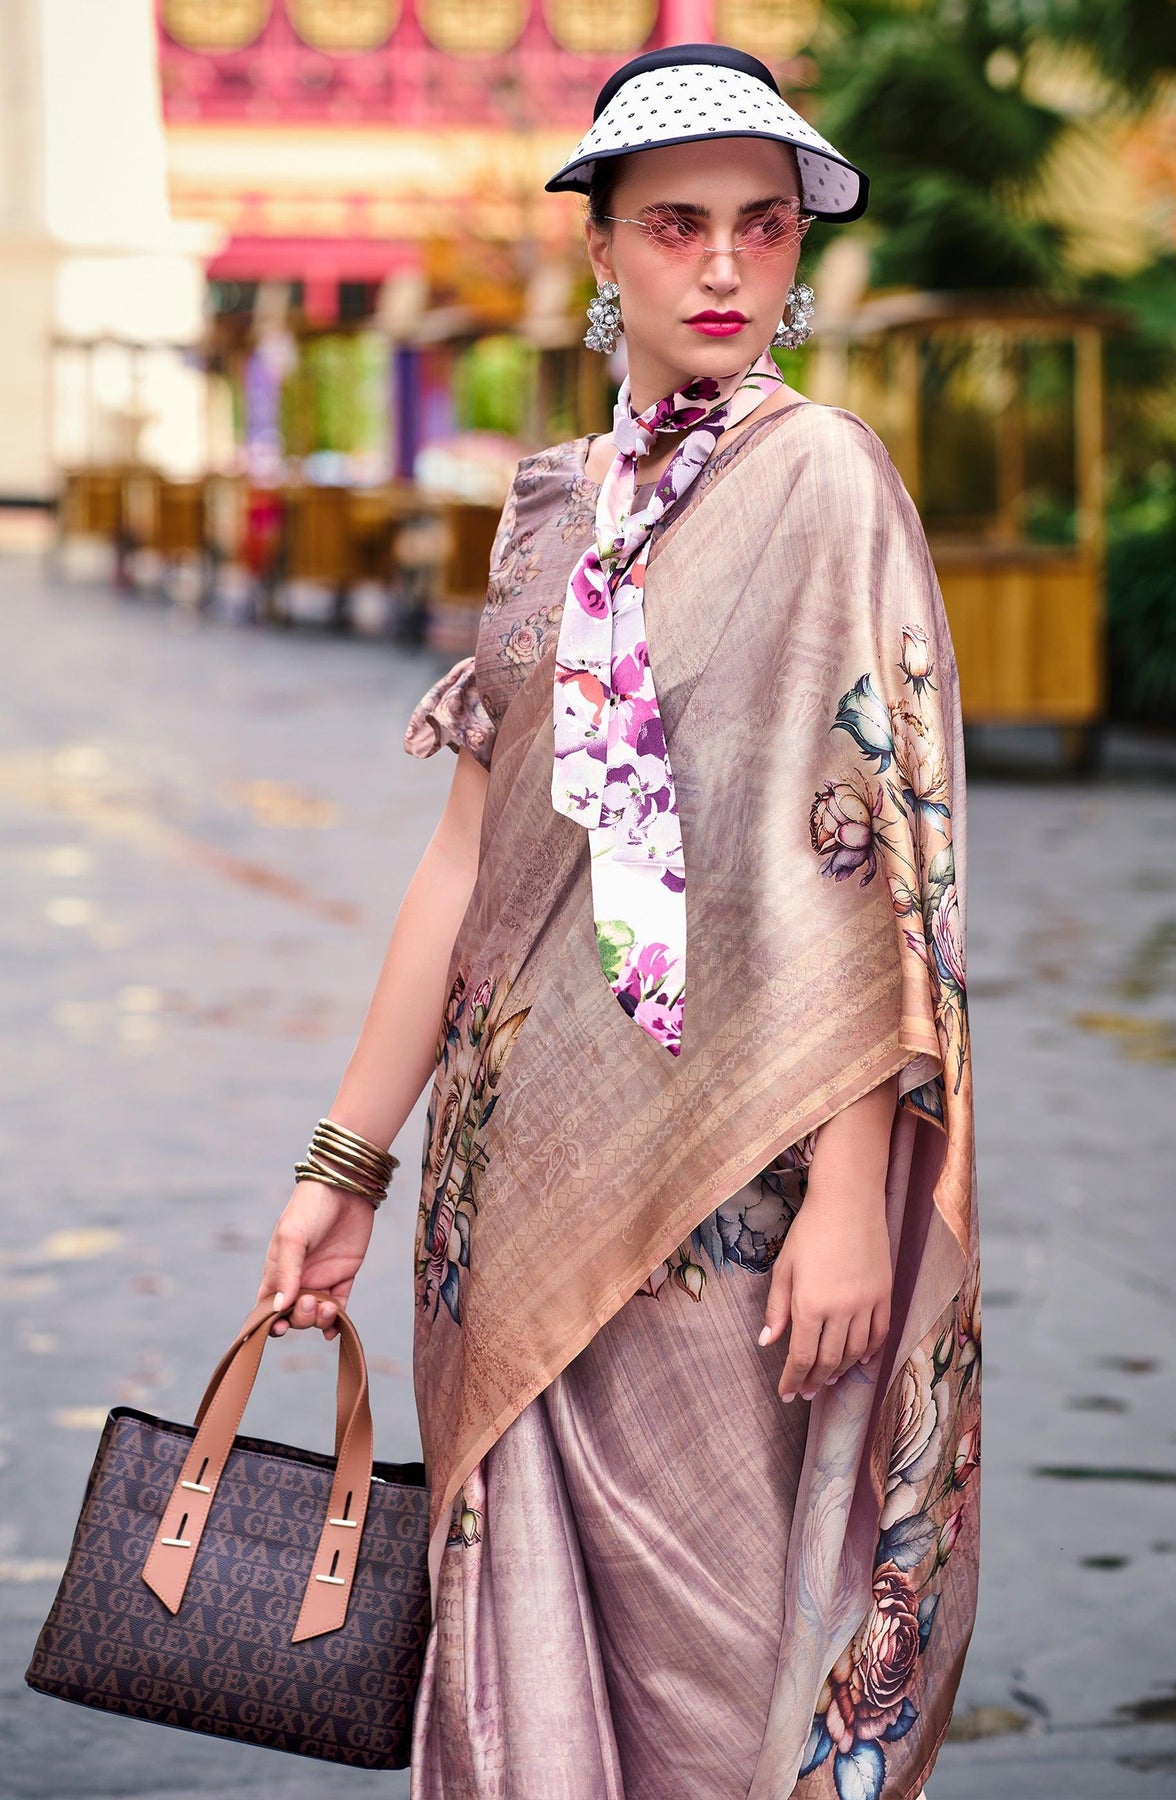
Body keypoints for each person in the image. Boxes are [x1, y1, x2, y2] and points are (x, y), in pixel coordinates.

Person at [257, 42, 980, 1800]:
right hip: (505, 1192)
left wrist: (854, 1196)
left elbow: (875, 859)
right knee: (522, 1687)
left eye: (762, 223)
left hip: (729, 1193)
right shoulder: (550, 517)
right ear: (601, 249)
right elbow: (463, 867)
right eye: (674, 224)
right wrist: (345, 1162)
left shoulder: (824, 485)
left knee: (721, 1689)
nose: (724, 263)